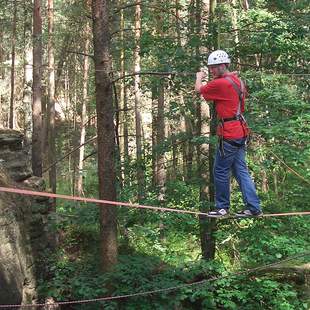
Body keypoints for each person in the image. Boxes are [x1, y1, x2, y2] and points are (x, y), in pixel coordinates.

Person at [195, 50, 262, 218]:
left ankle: (222, 207)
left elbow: (199, 90)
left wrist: (199, 76)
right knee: (241, 171)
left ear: (223, 65)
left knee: (220, 170)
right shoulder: (236, 81)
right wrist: (225, 74)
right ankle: (253, 207)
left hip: (230, 133)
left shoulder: (220, 84)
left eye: (214, 68)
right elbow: (223, 82)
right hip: (240, 131)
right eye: (210, 68)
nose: (211, 71)